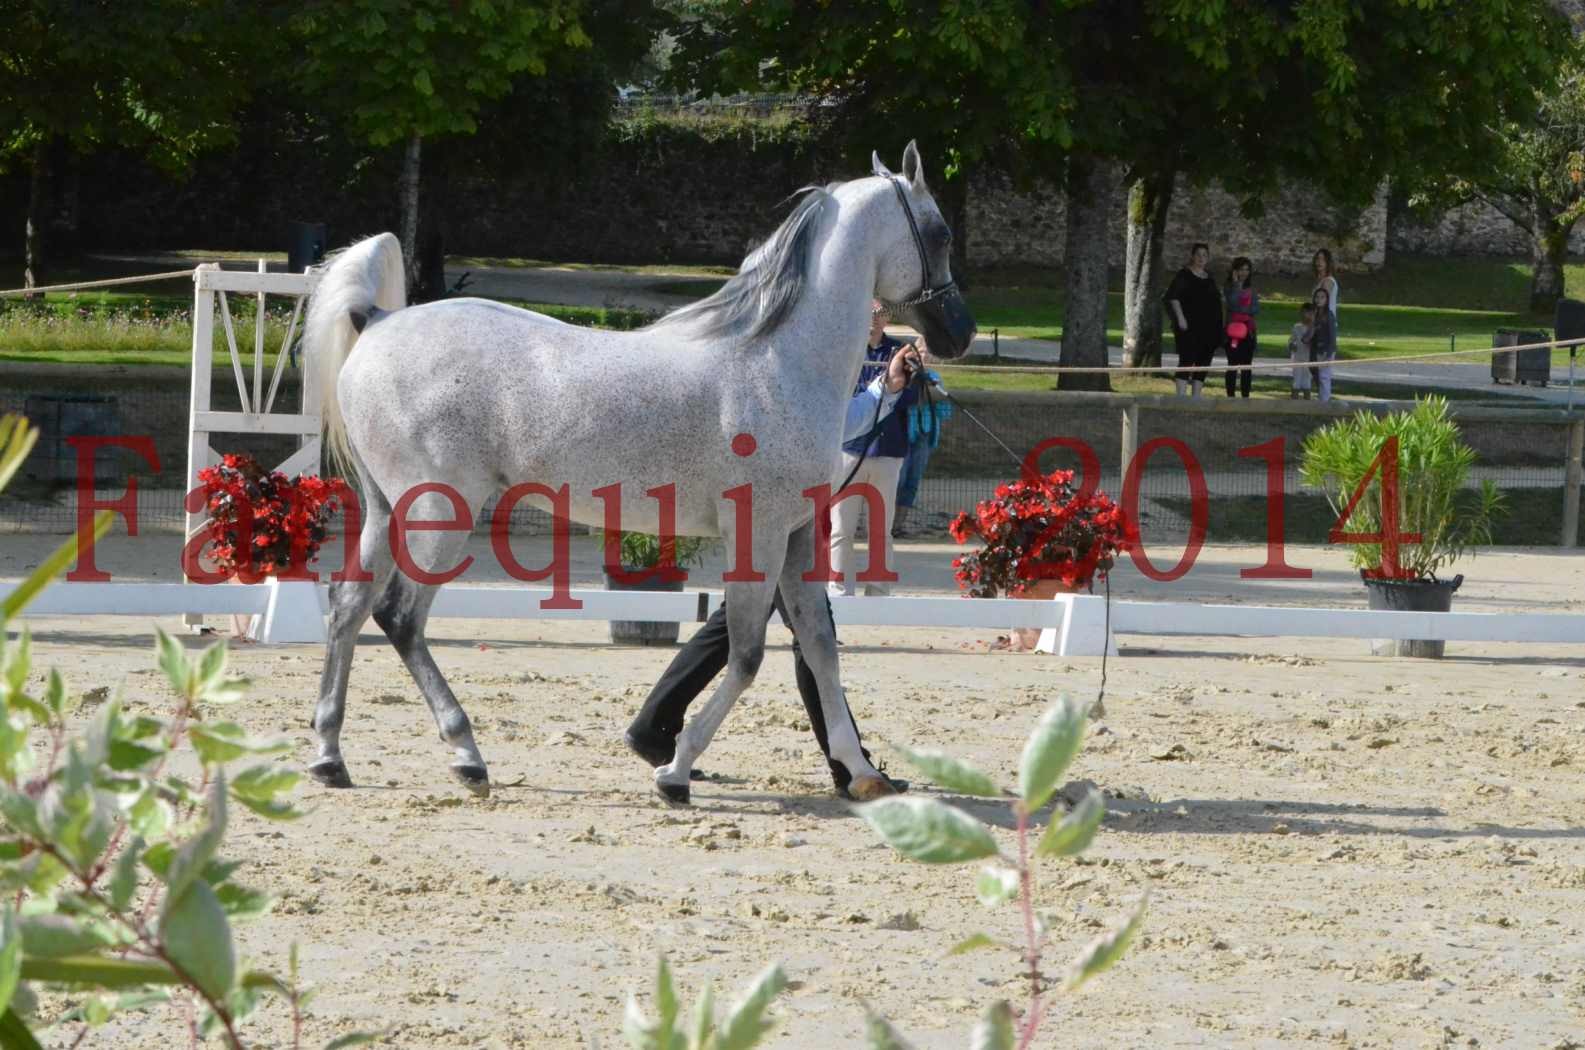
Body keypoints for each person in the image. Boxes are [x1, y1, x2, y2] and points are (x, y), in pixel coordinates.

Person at [624, 339, 924, 799]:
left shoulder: (803, 368)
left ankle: (653, 725)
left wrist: (888, 385)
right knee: (809, 634)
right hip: (775, 513)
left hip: (788, 513)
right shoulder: (785, 366)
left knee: (746, 624)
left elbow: (837, 422)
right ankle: (849, 766)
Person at [828, 302, 918, 596]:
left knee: (881, 528)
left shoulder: (900, 352)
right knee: (841, 526)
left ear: (887, 317)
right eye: (866, 312)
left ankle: (878, 589)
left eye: (878, 313)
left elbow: (910, 396)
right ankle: (839, 588)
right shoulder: (844, 351)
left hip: (888, 451)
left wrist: (906, 378)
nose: (871, 319)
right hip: (850, 450)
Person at [892, 336, 953, 539]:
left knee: (912, 481)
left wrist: (933, 398)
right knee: (898, 481)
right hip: (904, 435)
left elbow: (945, 410)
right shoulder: (903, 376)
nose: (923, 356)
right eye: (920, 351)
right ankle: (887, 523)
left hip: (924, 435)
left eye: (927, 353)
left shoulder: (934, 377)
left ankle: (899, 525)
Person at [1165, 243, 1223, 397]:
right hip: (1189, 326)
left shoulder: (1209, 278)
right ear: (1192, 256)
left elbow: (1216, 301)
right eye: (1198, 254)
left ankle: (1196, 396)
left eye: (1205, 255)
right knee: (1187, 359)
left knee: (1204, 362)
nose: (1201, 258)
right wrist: (1180, 318)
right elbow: (1173, 297)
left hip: (1208, 327)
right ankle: (1181, 397)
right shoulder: (1184, 275)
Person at [1222, 257, 1260, 398]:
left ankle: (1245, 396)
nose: (1244, 272)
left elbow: (1255, 309)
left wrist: (1242, 310)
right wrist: (1237, 284)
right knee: (1232, 364)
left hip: (1248, 331)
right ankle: (1230, 395)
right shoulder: (1229, 287)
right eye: (1241, 269)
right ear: (1235, 270)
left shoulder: (1252, 289)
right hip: (1232, 332)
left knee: (1246, 366)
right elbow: (1232, 303)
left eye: (1247, 269)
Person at [1310, 286, 1337, 402]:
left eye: (1322, 297)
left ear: (1327, 300)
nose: (1319, 299)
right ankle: (1321, 397)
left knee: (1324, 376)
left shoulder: (1329, 315)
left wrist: (1329, 352)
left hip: (1326, 350)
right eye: (1317, 297)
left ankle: (1325, 401)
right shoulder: (1314, 314)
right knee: (1316, 374)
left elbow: (1332, 335)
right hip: (1315, 349)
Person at [1288, 303, 1315, 400]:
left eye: (1308, 313)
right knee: (1296, 380)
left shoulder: (1314, 328)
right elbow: (1292, 340)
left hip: (1309, 358)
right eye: (1303, 313)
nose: (1305, 316)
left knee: (1307, 381)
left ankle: (1306, 402)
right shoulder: (1297, 327)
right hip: (1298, 358)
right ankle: (1294, 402)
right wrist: (1291, 345)